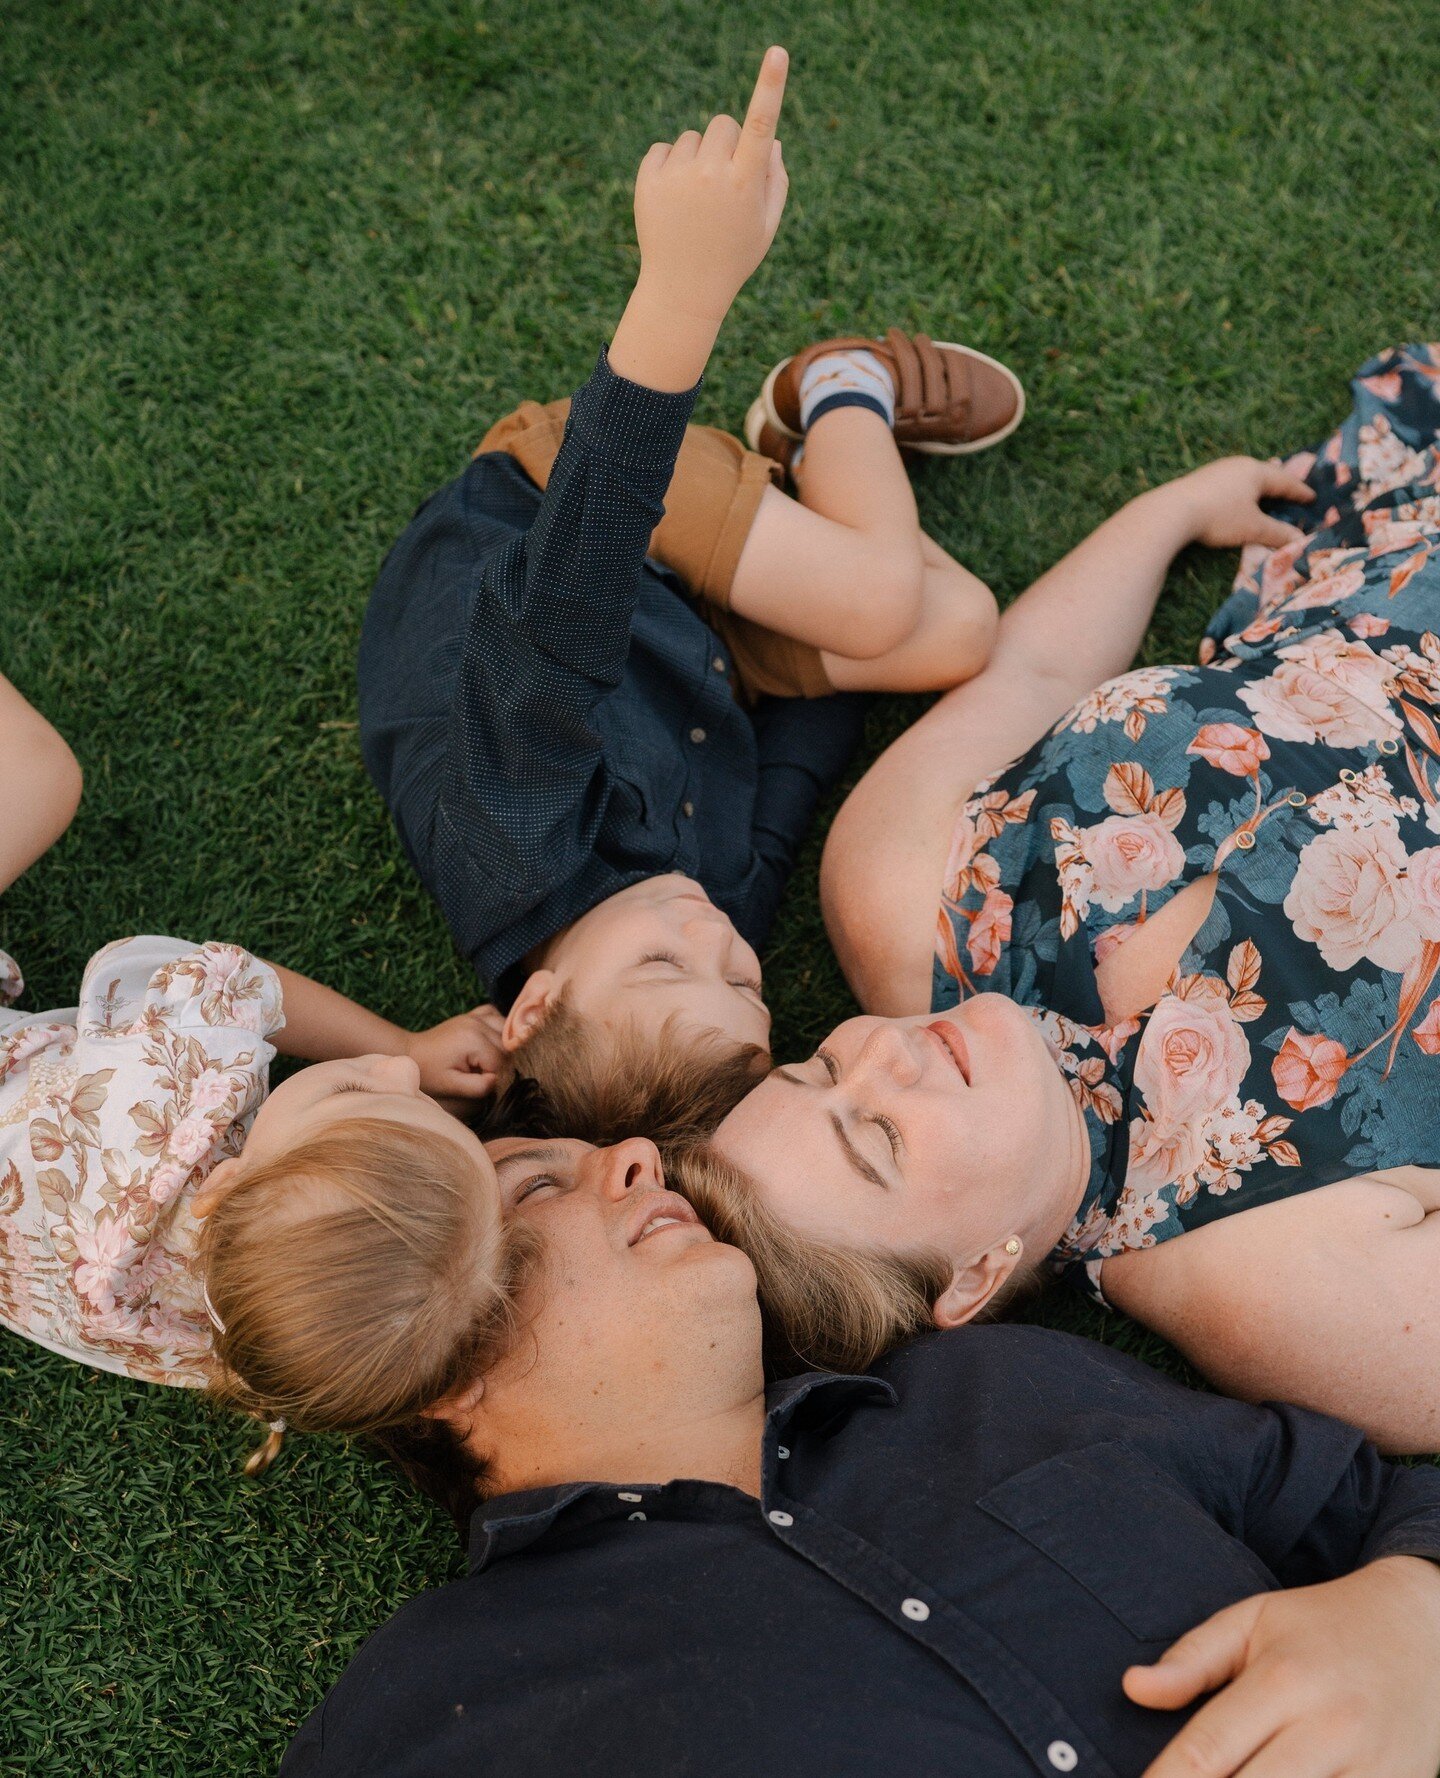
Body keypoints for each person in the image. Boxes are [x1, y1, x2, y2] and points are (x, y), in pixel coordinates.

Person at [703, 343, 1440, 1451]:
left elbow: (1035, 674)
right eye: (878, 1139)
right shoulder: (1267, 1284)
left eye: (818, 1066)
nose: (879, 1052)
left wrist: (1171, 509)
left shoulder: (898, 889)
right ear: (972, 1279)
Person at [271, 1133, 1440, 1778]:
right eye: (537, 1182)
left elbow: (1381, 1491)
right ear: (436, 1365)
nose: (634, 1153)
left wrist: (1414, 1607)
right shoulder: (430, 1707)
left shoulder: (1001, 1382)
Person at [357, 44, 1020, 1116]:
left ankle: (836, 382)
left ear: (534, 1008)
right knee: (961, 631)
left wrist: (682, 288)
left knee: (878, 603)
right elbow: (791, 776)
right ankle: (796, 504)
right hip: (686, 635)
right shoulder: (708, 925)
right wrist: (818, 673)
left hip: (553, 512)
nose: (714, 939)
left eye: (667, 967)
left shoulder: (511, 827)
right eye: (746, 981)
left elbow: (571, 589)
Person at [0, 667, 512, 1391]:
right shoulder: (248, 1341)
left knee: (40, 776)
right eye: (422, 1106)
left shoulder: (169, 1095)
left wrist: (407, 1046)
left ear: (225, 1183)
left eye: (359, 1092)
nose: (398, 1078)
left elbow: (220, 982)